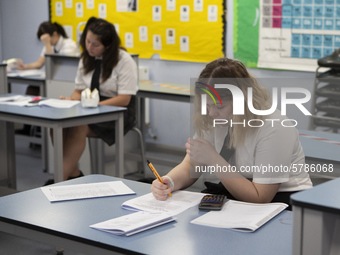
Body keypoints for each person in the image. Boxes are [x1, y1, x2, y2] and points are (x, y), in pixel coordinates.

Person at [151, 58, 312, 209]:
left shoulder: (274, 128)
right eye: (207, 106)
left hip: (281, 201)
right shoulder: (215, 117)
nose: (212, 113)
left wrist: (213, 159)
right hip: (237, 191)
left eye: (220, 107)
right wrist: (169, 181)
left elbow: (260, 198)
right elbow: (191, 165)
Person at [44, 17, 138, 185]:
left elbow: (124, 99)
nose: (89, 47)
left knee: (78, 126)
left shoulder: (124, 60)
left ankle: (57, 181)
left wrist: (91, 106)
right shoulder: (86, 57)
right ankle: (73, 174)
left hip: (117, 110)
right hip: (89, 106)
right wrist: (70, 101)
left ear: (108, 46)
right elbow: (79, 91)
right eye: (87, 41)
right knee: (57, 125)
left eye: (95, 45)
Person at [16, 21, 77, 135]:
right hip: (51, 81)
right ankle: (29, 128)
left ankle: (41, 128)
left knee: (42, 92)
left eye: (45, 40)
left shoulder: (69, 45)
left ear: (54, 34)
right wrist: (24, 67)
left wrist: (48, 45)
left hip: (65, 82)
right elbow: (39, 63)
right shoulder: (49, 45)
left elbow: (53, 66)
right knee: (32, 89)